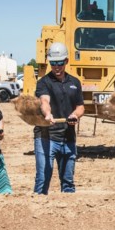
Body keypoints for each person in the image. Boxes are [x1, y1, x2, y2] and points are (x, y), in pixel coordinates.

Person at [35, 43, 85, 194]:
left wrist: (75, 115)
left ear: (66, 61)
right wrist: (47, 114)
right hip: (46, 138)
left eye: (59, 63)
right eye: (53, 63)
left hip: (68, 138)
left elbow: (80, 107)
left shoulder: (74, 82)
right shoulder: (44, 82)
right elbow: (45, 101)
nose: (56, 66)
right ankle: (37, 209)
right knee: (43, 178)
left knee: (68, 181)